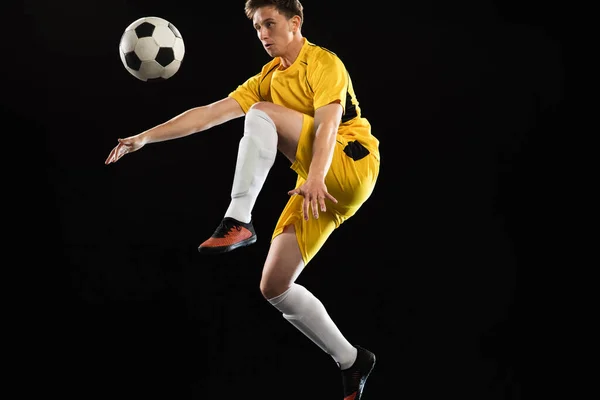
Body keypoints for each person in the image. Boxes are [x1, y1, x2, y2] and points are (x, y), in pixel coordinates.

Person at [105, 1, 380, 398]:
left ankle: (238, 219)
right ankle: (352, 360)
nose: (263, 33)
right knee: (275, 286)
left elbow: (328, 124)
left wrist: (317, 176)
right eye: (256, 27)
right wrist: (144, 137)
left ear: (295, 23)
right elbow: (208, 114)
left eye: (270, 23)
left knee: (262, 114)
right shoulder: (267, 78)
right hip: (315, 185)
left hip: (349, 166)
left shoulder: (322, 63)